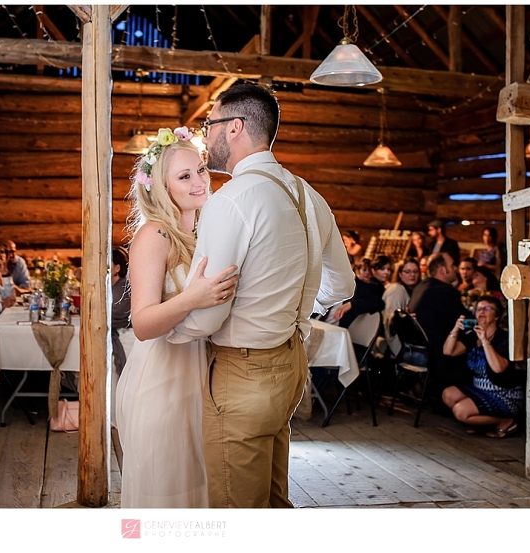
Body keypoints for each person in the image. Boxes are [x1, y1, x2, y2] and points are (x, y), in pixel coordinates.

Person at [168, 83, 354, 508]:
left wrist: (169, 333)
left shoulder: (232, 199)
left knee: (237, 507)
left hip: (242, 373)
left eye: (209, 124)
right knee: (272, 500)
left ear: (234, 128)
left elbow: (212, 311)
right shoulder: (310, 194)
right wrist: (293, 303)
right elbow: (341, 287)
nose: (205, 136)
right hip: (291, 363)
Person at [116, 127, 240, 508]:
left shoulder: (205, 230)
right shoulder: (155, 235)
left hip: (202, 377)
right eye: (184, 176)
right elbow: (143, 323)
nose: (200, 180)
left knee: (201, 490)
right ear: (161, 187)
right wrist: (192, 298)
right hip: (164, 380)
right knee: (170, 493)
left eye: (201, 169)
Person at [442, 297, 524, 438]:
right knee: (448, 394)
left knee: (460, 411)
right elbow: (448, 351)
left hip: (504, 394)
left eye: (487, 309)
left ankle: (505, 422)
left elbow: (498, 368)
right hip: (480, 390)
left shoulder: (504, 338)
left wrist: (485, 340)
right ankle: (481, 423)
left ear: (497, 316)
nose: (481, 312)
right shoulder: (473, 336)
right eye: (478, 309)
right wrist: (456, 329)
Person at [407, 252, 469, 392]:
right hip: (437, 355)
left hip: (416, 350)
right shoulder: (443, 291)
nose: (456, 268)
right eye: (452, 265)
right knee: (474, 337)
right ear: (442, 270)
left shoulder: (421, 286)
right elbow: (464, 319)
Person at [329, 256, 388, 329]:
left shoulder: (374, 287)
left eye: (369, 271)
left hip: (345, 323)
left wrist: (352, 304)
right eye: (364, 270)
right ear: (358, 270)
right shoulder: (350, 281)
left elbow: (378, 303)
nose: (367, 273)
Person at [382, 257, 421, 357]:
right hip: (397, 347)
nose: (412, 275)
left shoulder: (415, 291)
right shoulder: (397, 290)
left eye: (415, 271)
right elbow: (392, 321)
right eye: (407, 271)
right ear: (400, 274)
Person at [110, 247, 132, 375]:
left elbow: (116, 314)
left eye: (108, 265)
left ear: (117, 268)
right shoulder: (108, 286)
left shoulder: (124, 288)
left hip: (127, 336)